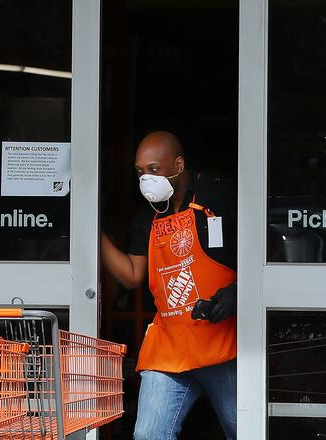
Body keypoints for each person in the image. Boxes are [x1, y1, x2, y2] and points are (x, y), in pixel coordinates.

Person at [101, 131, 237, 440]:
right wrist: (91, 231)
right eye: (139, 172)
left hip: (224, 345)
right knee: (149, 435)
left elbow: (261, 251)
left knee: (245, 430)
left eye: (153, 169)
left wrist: (235, 294)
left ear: (178, 164)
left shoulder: (220, 195)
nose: (146, 179)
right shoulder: (146, 217)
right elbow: (133, 274)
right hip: (169, 346)